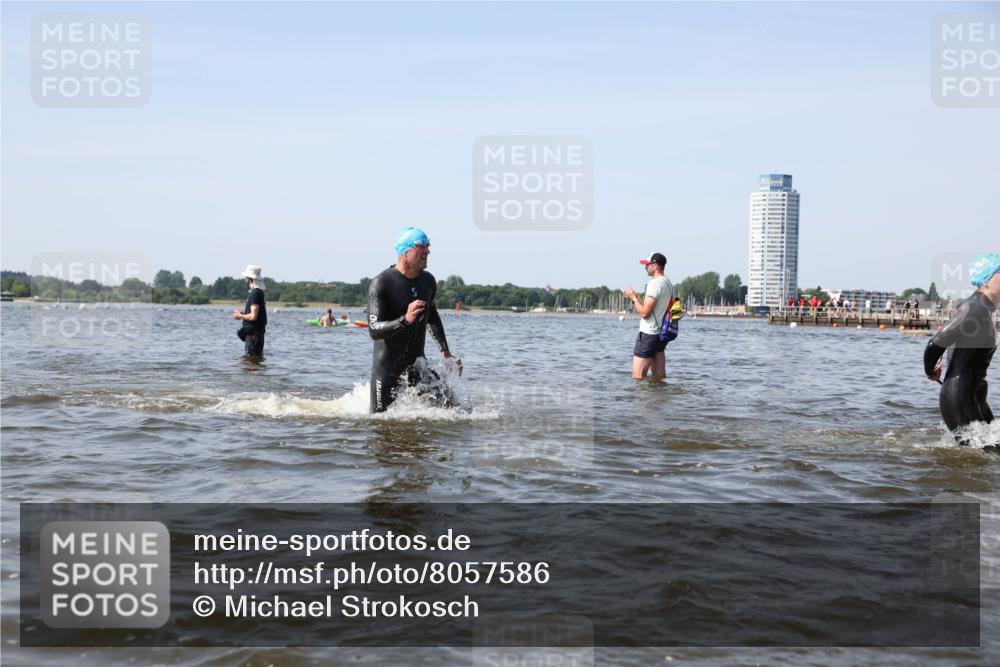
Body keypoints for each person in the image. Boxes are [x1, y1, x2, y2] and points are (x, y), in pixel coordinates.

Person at [368, 227, 461, 413]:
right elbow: (374, 329)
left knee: (456, 412)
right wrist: (406, 320)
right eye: (421, 246)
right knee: (381, 426)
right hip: (387, 372)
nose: (427, 251)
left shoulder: (428, 281)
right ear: (405, 251)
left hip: (418, 367)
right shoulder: (381, 283)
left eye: (428, 246)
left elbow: (431, 316)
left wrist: (446, 352)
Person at [924, 253, 999, 448]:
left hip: (975, 397)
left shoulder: (987, 308)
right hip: (959, 398)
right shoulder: (974, 308)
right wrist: (930, 371)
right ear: (988, 280)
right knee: (983, 458)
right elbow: (935, 344)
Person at [623, 252, 675, 380]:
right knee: (659, 377)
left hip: (648, 334)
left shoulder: (655, 283)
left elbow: (645, 313)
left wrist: (634, 299)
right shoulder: (668, 284)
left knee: (638, 377)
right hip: (661, 335)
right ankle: (659, 400)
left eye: (648, 264)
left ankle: (643, 400)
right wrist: (638, 298)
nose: (645, 267)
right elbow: (654, 309)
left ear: (655, 265)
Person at [233, 264, 267, 358]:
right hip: (257, 334)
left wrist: (240, 316)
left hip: (253, 335)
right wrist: (242, 314)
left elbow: (253, 316)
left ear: (249, 278)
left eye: (246, 277)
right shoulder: (258, 292)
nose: (245, 278)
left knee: (251, 363)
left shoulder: (255, 293)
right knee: (254, 362)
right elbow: (256, 316)